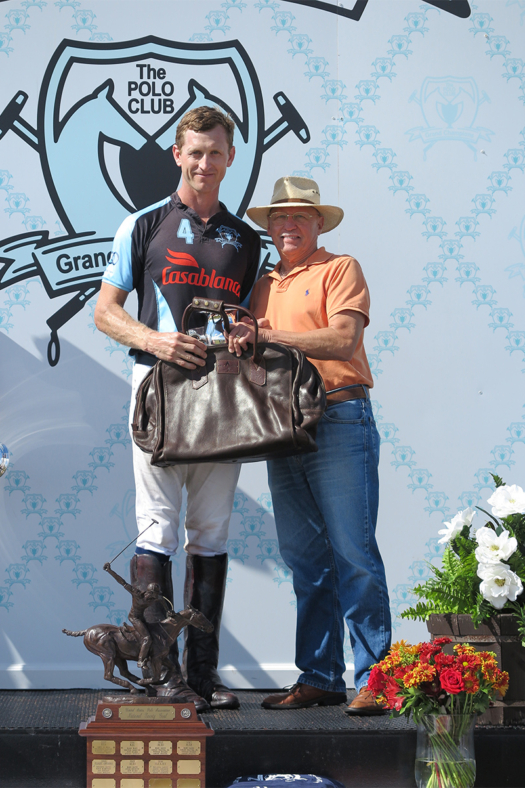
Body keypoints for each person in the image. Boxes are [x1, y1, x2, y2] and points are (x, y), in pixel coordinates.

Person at [94, 106, 261, 711]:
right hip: (155, 395)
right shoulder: (140, 224)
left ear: (230, 158)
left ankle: (204, 675)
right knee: (157, 529)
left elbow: (254, 320)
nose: (205, 163)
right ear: (176, 155)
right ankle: (161, 673)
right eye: (195, 152)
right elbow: (105, 311)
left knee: (211, 534)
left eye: (215, 152)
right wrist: (153, 339)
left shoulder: (247, 240)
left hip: (222, 400)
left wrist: (248, 334)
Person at [228, 176, 391, 714]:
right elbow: (253, 349)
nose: (288, 224)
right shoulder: (263, 282)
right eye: (278, 217)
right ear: (268, 227)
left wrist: (268, 334)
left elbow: (344, 339)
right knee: (305, 560)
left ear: (319, 223)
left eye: (299, 215)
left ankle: (376, 680)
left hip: (339, 414)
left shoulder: (340, 268)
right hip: (283, 424)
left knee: (353, 553)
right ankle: (320, 676)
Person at [103, 562, 168, 668]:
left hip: (142, 617)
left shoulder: (156, 597)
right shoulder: (137, 594)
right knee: (147, 638)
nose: (155, 597)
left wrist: (168, 611)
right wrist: (109, 571)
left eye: (157, 594)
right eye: (154, 594)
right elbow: (122, 582)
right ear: (148, 592)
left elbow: (163, 601)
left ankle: (149, 656)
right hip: (134, 617)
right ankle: (141, 661)